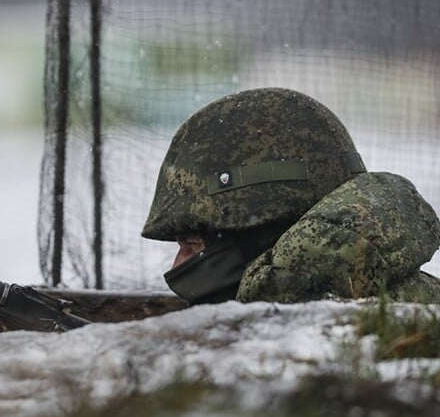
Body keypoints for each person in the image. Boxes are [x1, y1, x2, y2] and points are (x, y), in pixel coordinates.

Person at [142, 87, 440, 305]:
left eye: (192, 246)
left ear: (263, 230)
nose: (177, 267)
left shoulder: (332, 332)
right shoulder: (382, 308)